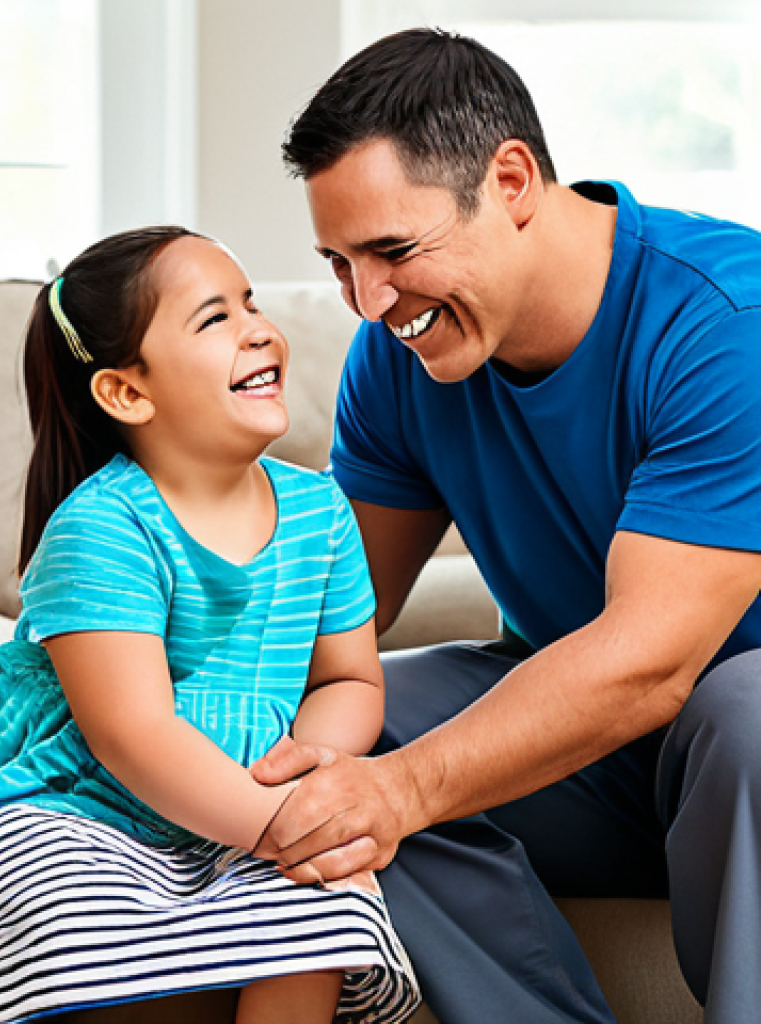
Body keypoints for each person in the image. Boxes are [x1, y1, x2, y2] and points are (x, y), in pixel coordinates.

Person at [251, 27, 761, 1024]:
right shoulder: (397, 358)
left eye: (393, 251)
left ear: (513, 181)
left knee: (747, 713)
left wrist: (403, 790)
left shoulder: (724, 325)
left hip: (734, 744)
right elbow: (328, 614)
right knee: (335, 735)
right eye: (340, 263)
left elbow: (654, 664)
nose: (369, 302)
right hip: (603, 763)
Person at [0, 226, 419, 1024]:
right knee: (36, 871)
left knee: (331, 880)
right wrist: (273, 825)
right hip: (90, 800)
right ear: (127, 393)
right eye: (215, 318)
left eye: (251, 304)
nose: (257, 329)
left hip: (252, 792)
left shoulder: (322, 512)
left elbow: (349, 678)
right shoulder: (104, 526)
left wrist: (303, 780)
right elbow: (132, 736)